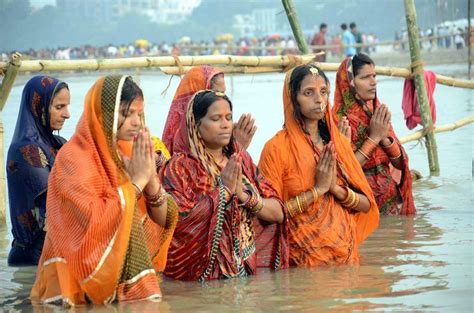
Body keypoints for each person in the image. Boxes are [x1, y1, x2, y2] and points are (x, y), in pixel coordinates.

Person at [31, 76, 178, 305]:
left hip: (118, 274)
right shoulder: (73, 158)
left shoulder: (128, 151)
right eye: (126, 114)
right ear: (103, 113)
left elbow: (163, 221)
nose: (136, 122)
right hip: (77, 284)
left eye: (139, 114)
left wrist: (151, 184)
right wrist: (137, 183)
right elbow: (93, 222)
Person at [258, 64, 378, 267]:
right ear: (292, 98)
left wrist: (336, 190)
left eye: (323, 92)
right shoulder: (276, 148)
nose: (319, 100)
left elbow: (367, 204)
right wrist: (317, 190)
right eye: (308, 93)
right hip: (301, 263)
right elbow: (270, 215)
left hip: (346, 258)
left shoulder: (337, 143)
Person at [162, 90, 288, 281]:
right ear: (196, 125)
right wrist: (224, 191)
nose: (225, 125)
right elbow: (179, 225)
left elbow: (278, 212)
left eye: (229, 118)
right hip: (205, 278)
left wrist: (244, 196)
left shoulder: (241, 159)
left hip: (247, 271)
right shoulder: (181, 167)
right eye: (216, 118)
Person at [333, 53, 416, 215]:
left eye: (374, 76)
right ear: (348, 82)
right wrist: (374, 138)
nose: (373, 83)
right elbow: (344, 171)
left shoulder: (377, 113)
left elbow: (400, 164)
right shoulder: (337, 121)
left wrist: (384, 138)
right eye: (365, 77)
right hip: (359, 205)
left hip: (390, 202)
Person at [6, 75, 70, 266]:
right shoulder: (26, 150)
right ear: (38, 107)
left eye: (67, 106)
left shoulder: (57, 144)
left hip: (55, 251)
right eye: (59, 107)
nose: (67, 114)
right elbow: (56, 201)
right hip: (33, 256)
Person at [162, 65, 257, 155]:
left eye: (228, 118)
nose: (222, 99)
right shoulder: (183, 143)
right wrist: (237, 147)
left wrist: (231, 142)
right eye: (215, 118)